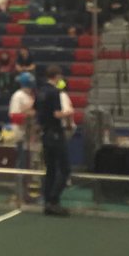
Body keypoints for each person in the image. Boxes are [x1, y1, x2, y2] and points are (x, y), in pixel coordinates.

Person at [35, 65, 72, 216]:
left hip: (45, 133)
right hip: (55, 132)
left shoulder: (40, 92)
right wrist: (68, 112)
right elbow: (57, 114)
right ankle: (53, 199)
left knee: (50, 169)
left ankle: (47, 202)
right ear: (57, 76)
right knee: (65, 169)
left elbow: (36, 112)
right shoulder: (54, 92)